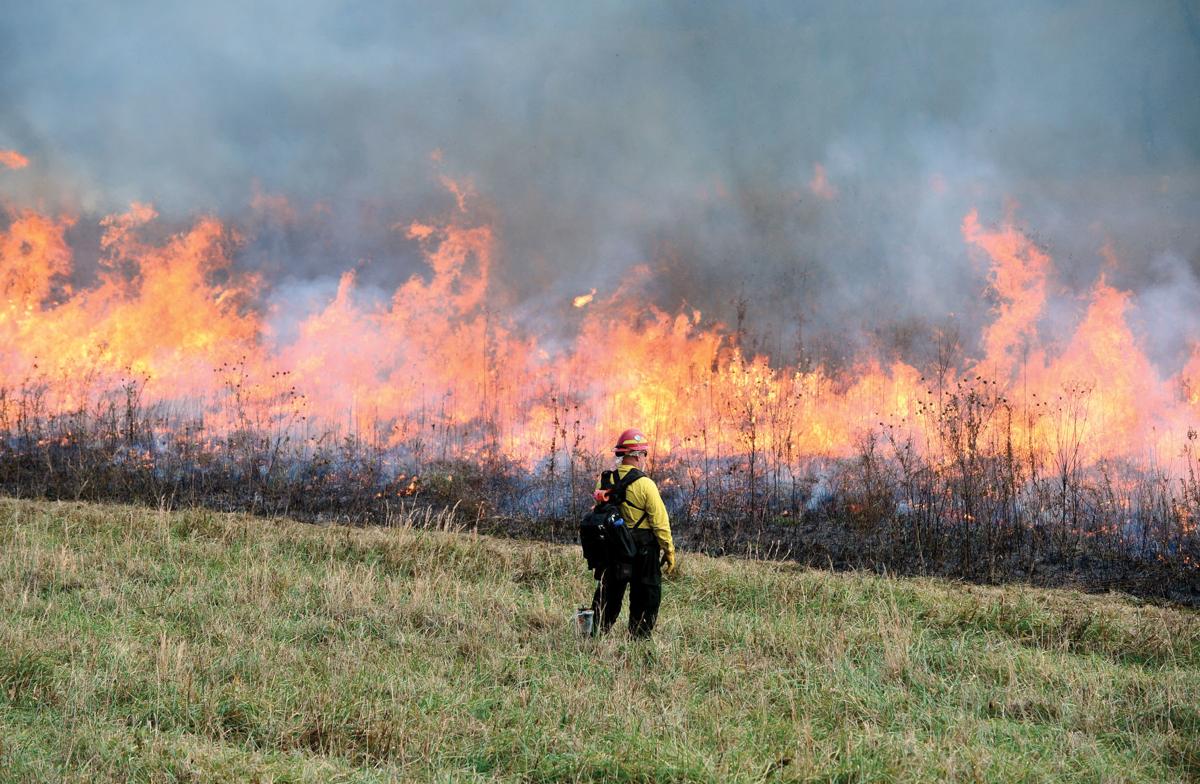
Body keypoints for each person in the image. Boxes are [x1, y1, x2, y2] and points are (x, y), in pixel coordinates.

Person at [590, 428, 676, 638]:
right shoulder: (645, 484)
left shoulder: (604, 481)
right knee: (646, 595)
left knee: (608, 594)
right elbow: (660, 523)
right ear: (636, 456)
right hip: (643, 551)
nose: (644, 458)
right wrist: (669, 551)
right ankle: (638, 638)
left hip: (614, 549)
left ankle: (594, 634)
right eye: (643, 454)